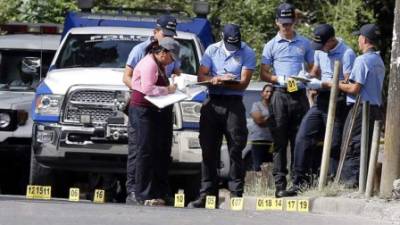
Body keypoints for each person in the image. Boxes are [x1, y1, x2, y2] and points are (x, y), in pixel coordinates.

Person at [187, 24, 256, 208]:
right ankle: (207, 194)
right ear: (222, 37)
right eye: (230, 43)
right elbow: (201, 76)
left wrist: (226, 82)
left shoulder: (247, 51)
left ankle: (236, 194)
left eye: (236, 43)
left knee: (235, 148)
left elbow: (243, 83)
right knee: (208, 149)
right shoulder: (212, 50)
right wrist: (213, 79)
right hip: (212, 101)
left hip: (233, 104)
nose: (233, 46)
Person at [288, 24, 356, 195]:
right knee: (302, 136)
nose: (320, 49)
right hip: (321, 101)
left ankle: (330, 184)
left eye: (323, 45)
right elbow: (315, 71)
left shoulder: (347, 53)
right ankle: (298, 182)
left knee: (333, 144)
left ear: (332, 40)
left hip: (338, 102)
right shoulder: (319, 51)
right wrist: (306, 77)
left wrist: (326, 83)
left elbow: (347, 84)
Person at [123, 14, 181, 204]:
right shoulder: (142, 52)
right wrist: (156, 91)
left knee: (160, 149)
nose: (168, 38)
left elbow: (176, 74)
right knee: (141, 149)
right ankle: (135, 191)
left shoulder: (166, 56)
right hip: (144, 105)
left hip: (161, 106)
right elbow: (132, 80)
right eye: (165, 34)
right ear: (155, 32)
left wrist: (177, 85)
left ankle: (157, 191)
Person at [260, 3, 314, 197]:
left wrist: (307, 75)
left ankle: (299, 182)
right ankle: (280, 184)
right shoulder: (271, 45)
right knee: (280, 141)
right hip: (280, 95)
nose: (287, 27)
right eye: (283, 24)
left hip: (299, 95)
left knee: (299, 140)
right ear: (277, 23)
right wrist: (278, 79)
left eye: (289, 23)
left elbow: (314, 67)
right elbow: (264, 73)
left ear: (294, 22)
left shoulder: (305, 43)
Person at [332, 24, 384, 187]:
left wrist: (336, 84)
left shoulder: (362, 60)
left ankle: (349, 182)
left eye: (359, 37)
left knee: (351, 144)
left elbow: (355, 88)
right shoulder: (378, 60)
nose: (358, 41)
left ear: (365, 39)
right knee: (365, 146)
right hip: (374, 108)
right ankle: (360, 183)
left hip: (360, 109)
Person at [249, 83, 274, 171]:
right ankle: (257, 184)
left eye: (271, 92)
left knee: (271, 167)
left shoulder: (275, 106)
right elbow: (259, 121)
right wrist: (273, 118)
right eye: (267, 91)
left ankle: (267, 184)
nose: (269, 93)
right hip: (258, 140)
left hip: (272, 141)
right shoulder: (256, 105)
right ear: (262, 93)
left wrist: (266, 118)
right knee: (258, 166)